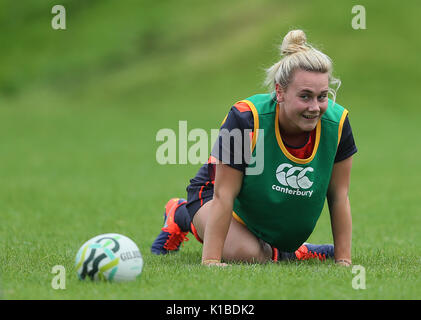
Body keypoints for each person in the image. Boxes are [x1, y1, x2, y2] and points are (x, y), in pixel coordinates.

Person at [151, 30, 357, 267]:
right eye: (305, 96)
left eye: (322, 96)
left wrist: (343, 260)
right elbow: (224, 194)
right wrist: (211, 261)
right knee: (247, 253)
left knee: (258, 249)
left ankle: (279, 248)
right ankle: (181, 213)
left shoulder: (337, 123)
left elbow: (339, 196)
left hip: (264, 213)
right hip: (213, 196)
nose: (315, 107)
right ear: (280, 91)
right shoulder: (247, 118)